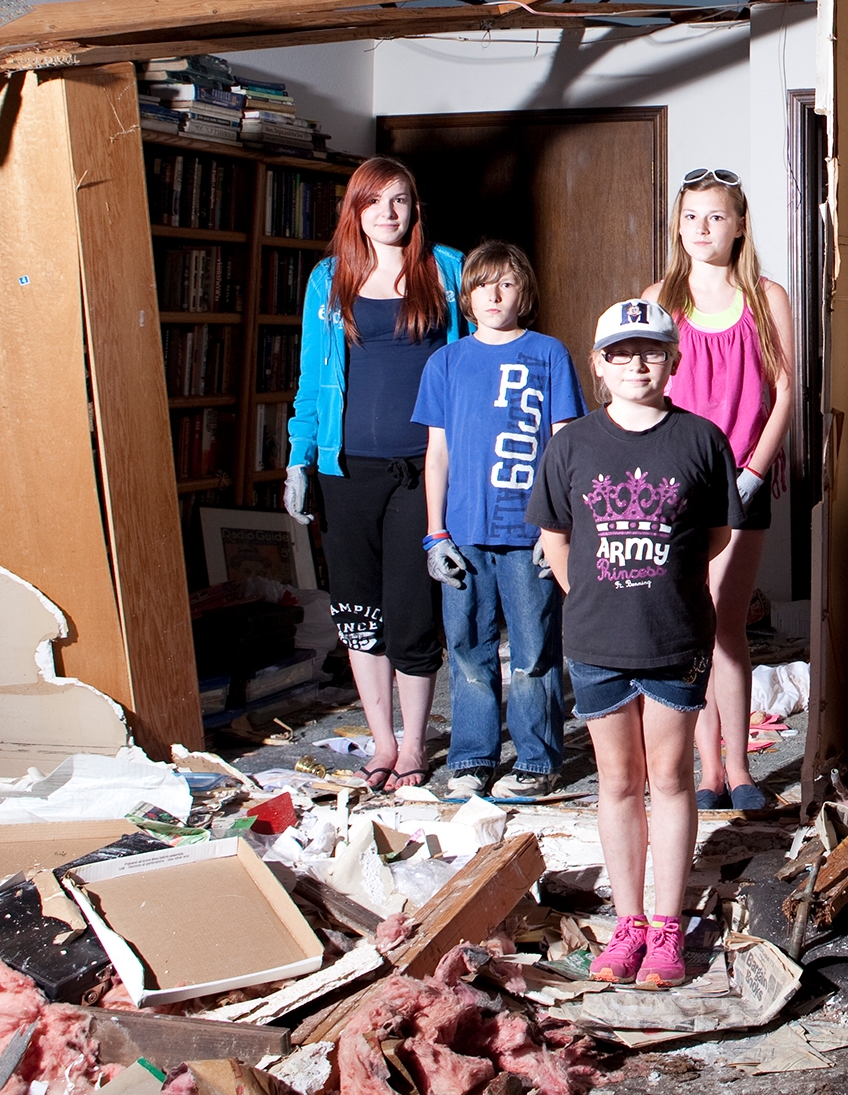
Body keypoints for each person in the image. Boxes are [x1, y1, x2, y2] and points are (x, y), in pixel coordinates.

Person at [531, 299, 743, 988]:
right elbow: (557, 541)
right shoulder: (571, 445)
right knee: (619, 781)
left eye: (651, 350)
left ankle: (668, 926)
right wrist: (596, 602)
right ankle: (628, 925)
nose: (636, 364)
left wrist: (657, 590)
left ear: (672, 361)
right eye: (620, 352)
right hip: (596, 639)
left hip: (675, 636)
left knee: (672, 776)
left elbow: (712, 537)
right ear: (599, 366)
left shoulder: (702, 441)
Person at [285, 156, 468, 793]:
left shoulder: (448, 269)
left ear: (415, 208)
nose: (388, 214)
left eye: (400, 201)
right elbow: (311, 378)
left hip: (427, 471)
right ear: (355, 211)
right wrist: (298, 458)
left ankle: (415, 746)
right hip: (346, 471)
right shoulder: (328, 279)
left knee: (414, 611)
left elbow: (475, 363)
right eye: (375, 202)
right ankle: (383, 743)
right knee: (359, 611)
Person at [413, 241, 587, 801]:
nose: (493, 294)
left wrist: (556, 526)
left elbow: (564, 446)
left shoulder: (548, 354)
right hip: (462, 533)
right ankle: (472, 757)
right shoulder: (445, 361)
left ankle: (537, 760)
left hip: (528, 531)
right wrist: (434, 531)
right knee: (467, 649)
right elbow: (435, 454)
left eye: (507, 283)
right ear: (466, 294)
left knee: (535, 652)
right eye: (483, 283)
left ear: (524, 293)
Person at [646, 167, 792, 813]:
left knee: (726, 625)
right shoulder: (659, 298)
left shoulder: (766, 297)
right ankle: (705, 769)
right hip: (678, 485)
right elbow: (642, 392)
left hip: (745, 478)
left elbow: (787, 393)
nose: (702, 228)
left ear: (738, 226)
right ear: (678, 226)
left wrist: (754, 472)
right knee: (691, 627)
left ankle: (739, 769)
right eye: (691, 217)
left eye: (715, 217)